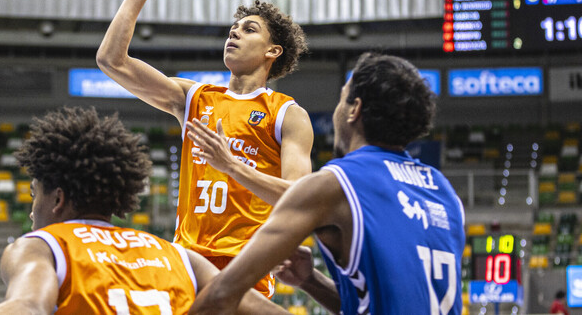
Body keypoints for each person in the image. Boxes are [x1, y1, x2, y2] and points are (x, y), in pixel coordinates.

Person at [96, 0, 314, 297]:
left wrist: (231, 165)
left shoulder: (287, 113)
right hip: (186, 264)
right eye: (233, 28)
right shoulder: (195, 98)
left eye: (249, 29)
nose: (235, 32)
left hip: (246, 267)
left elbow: (300, 198)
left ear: (273, 51)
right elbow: (111, 60)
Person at [189, 52, 466, 314]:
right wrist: (311, 281)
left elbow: (223, 293)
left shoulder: (337, 182)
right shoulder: (444, 192)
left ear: (353, 110)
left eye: (342, 98)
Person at [0, 107, 288, 314]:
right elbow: (261, 309)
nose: (31, 212)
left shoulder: (42, 248)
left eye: (33, 195)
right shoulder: (183, 258)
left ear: (57, 199)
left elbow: (27, 305)